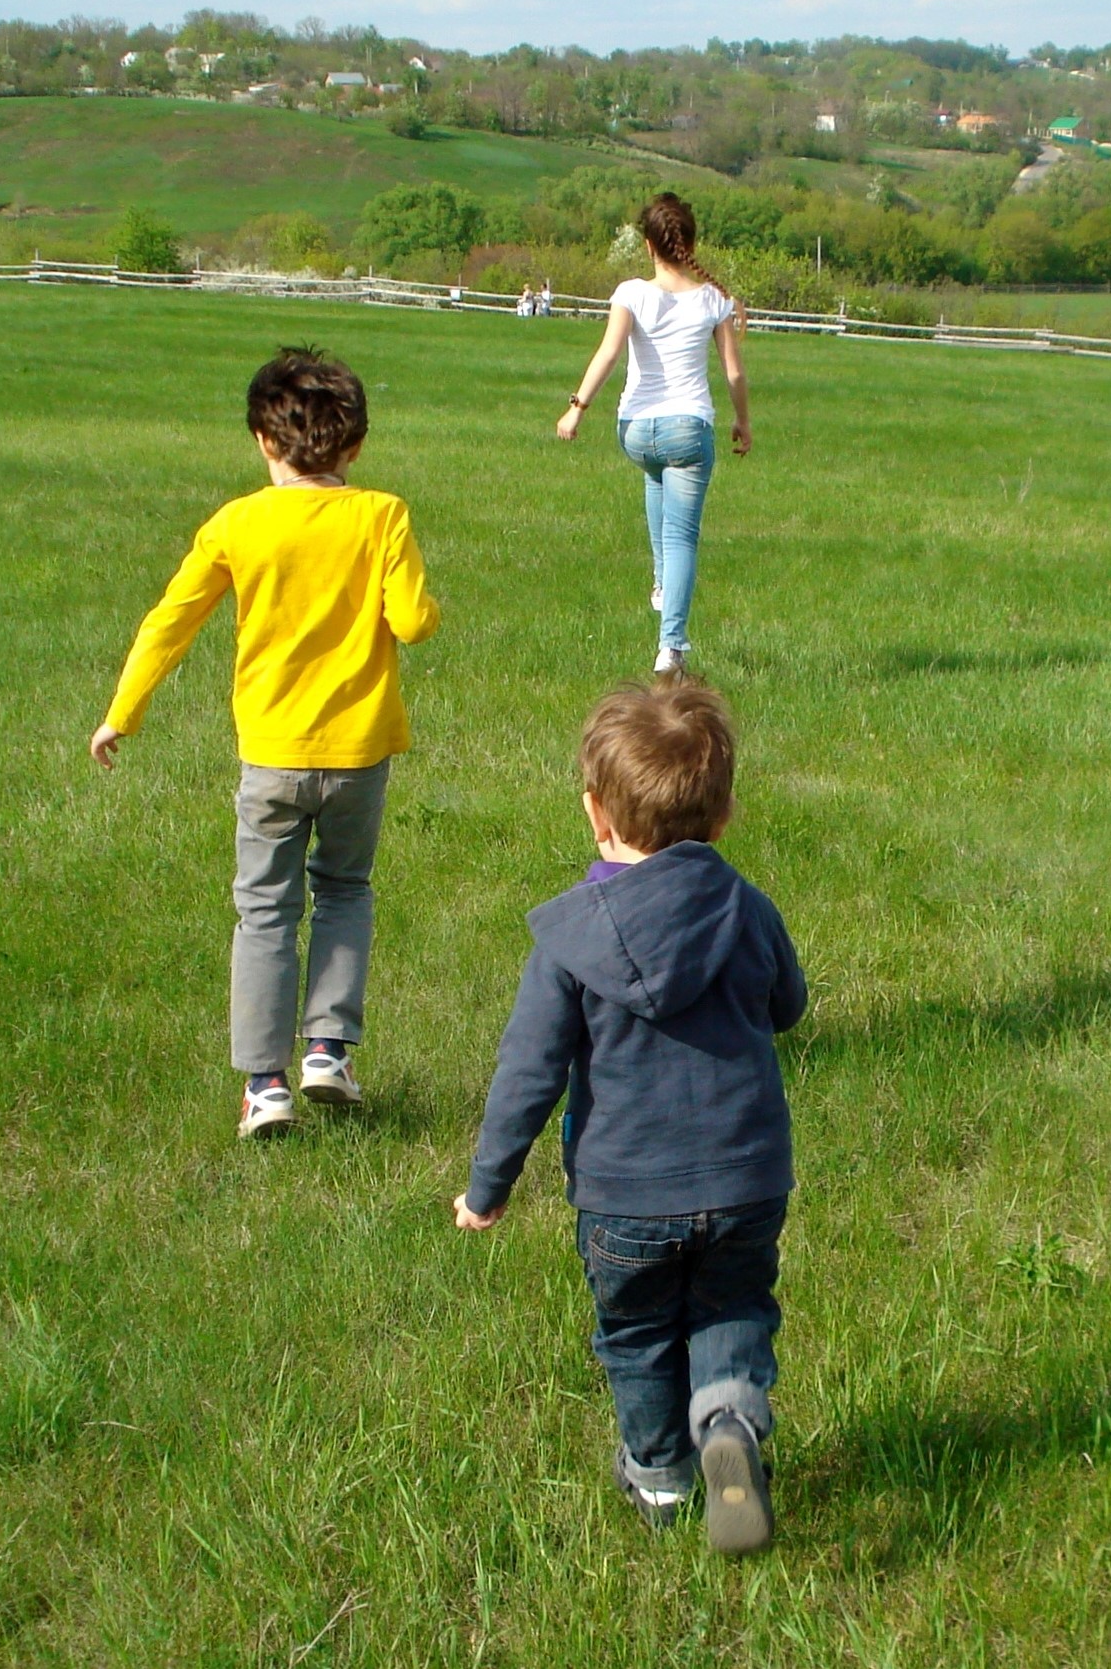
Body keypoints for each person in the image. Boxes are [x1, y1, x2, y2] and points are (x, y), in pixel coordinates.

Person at [453, 678, 805, 1555]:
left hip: (623, 1199)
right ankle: (727, 1416)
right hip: (745, 1176)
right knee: (731, 1304)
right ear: (724, 817)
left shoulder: (572, 939)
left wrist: (488, 1185)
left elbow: (527, 1073)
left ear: (595, 813)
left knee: (640, 1331)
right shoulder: (748, 909)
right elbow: (789, 1005)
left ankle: (658, 1474)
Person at [89, 346, 442, 1141]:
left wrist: (123, 711)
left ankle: (265, 1085)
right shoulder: (382, 514)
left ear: (261, 439)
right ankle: (329, 1049)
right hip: (358, 756)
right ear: (354, 445)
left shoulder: (235, 524)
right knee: (345, 890)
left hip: (271, 757)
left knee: (264, 912)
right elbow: (415, 622)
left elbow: (170, 621)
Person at [555, 193, 750, 675]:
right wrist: (742, 421)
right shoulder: (713, 300)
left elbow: (607, 355)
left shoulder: (631, 293)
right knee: (682, 534)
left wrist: (576, 410)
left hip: (636, 431)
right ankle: (672, 646)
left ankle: (662, 584)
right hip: (689, 427)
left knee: (654, 478)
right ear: (690, 243)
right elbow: (734, 374)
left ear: (649, 246)